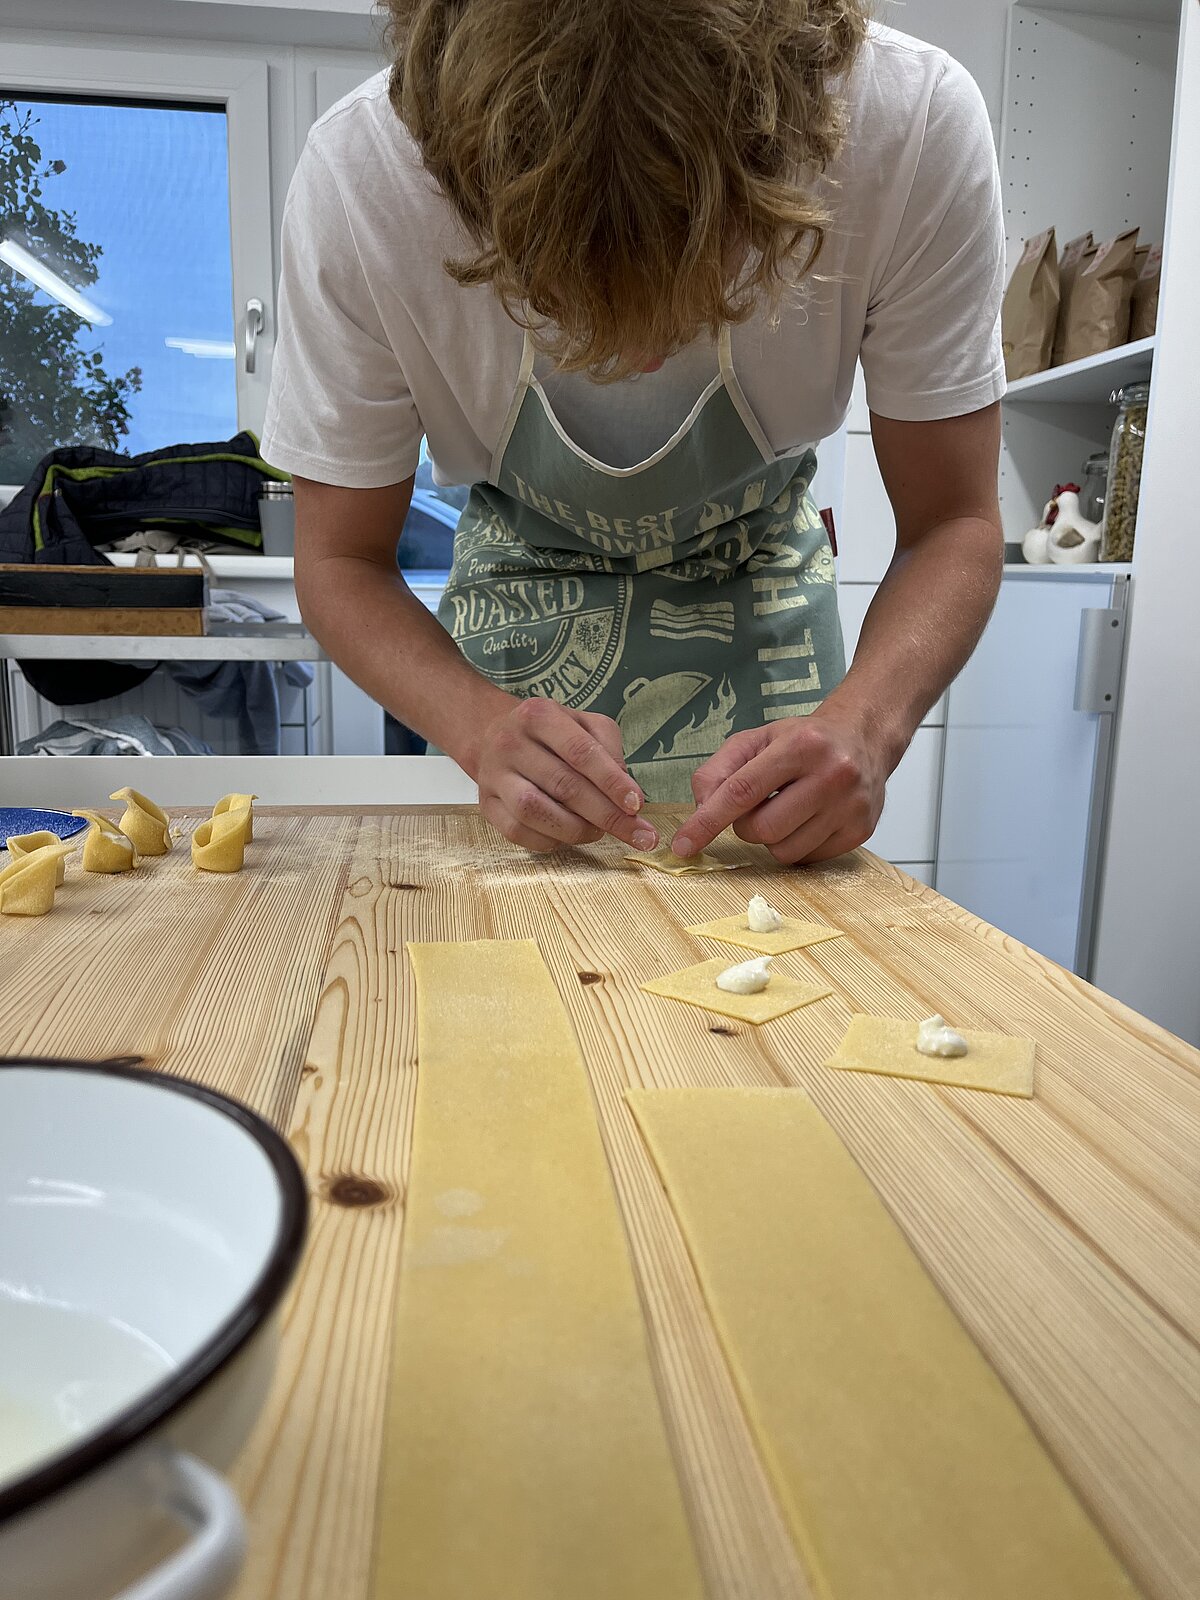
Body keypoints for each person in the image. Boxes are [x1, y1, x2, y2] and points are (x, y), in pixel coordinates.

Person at [262, 0, 1005, 864]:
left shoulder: (907, 130)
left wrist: (867, 726)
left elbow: (954, 521)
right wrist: (476, 725)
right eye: (561, 297)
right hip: (516, 609)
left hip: (760, 602)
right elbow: (340, 561)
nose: (640, 355)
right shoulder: (363, 184)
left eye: (698, 276)